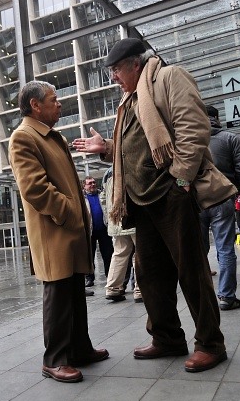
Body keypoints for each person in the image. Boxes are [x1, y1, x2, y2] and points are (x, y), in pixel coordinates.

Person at [72, 38, 227, 373]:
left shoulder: (169, 77)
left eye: (116, 69)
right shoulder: (132, 98)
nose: (113, 77)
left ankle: (210, 344)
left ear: (135, 64)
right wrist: (105, 147)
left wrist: (182, 180)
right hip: (142, 200)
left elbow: (194, 128)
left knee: (191, 271)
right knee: (150, 274)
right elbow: (138, 144)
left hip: (171, 193)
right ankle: (167, 337)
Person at [8, 80, 108, 383]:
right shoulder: (24, 137)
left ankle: (79, 349)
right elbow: (35, 189)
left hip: (70, 228)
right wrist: (67, 209)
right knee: (58, 292)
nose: (59, 104)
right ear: (35, 105)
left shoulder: (53, 136)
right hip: (55, 229)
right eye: (54, 99)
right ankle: (54, 359)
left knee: (75, 290)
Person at [199, 105, 240, 310]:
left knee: (198, 250)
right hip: (223, 199)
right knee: (225, 248)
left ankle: (203, 297)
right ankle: (227, 296)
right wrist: (233, 187)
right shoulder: (231, 138)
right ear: (217, 118)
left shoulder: (188, 140)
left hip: (196, 201)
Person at [101, 167, 142, 303]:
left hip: (116, 220)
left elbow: (103, 199)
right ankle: (140, 290)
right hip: (132, 219)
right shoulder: (132, 168)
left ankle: (112, 288)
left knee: (119, 253)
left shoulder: (108, 174)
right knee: (140, 253)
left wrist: (108, 218)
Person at [83, 176, 114, 288]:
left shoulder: (101, 194)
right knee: (89, 256)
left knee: (108, 254)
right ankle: (89, 278)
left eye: (94, 182)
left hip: (103, 229)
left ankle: (110, 276)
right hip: (89, 230)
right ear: (84, 186)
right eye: (90, 183)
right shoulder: (82, 198)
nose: (93, 185)